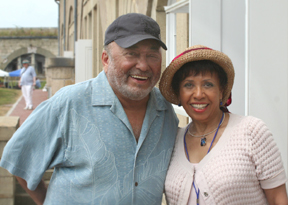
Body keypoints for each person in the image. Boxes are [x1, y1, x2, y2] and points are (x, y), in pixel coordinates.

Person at [0, 13, 178, 204]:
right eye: (131, 53)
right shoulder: (69, 103)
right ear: (106, 59)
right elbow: (20, 161)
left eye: (152, 55)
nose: (143, 66)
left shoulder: (166, 109)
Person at [160, 45, 288, 205]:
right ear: (179, 93)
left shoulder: (251, 132)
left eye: (208, 84)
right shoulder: (172, 140)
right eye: (188, 85)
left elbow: (278, 199)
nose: (198, 94)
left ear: (221, 92)